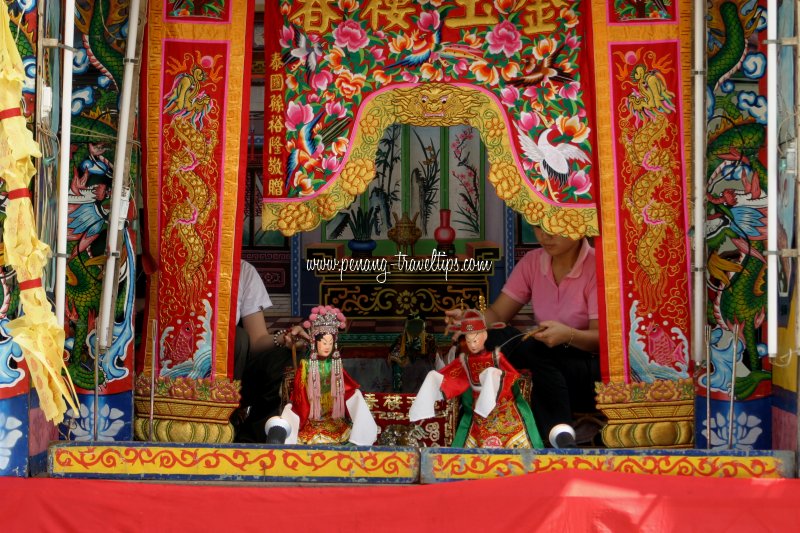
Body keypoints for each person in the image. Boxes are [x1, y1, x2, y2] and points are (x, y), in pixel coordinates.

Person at [445, 226, 600, 446]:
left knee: (532, 350)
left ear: (579, 224)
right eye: (539, 227)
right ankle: (559, 432)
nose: (545, 235)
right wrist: (468, 322)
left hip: (588, 368)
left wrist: (568, 335)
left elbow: (603, 341)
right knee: (499, 336)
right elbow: (498, 314)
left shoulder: (598, 266)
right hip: (545, 363)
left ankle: (555, 429)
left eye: (555, 226)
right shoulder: (533, 262)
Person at [410, 309, 543, 448]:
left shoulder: (496, 358)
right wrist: (435, 379)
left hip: (503, 410)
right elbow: (452, 376)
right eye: (469, 341)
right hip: (478, 415)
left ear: (484, 336)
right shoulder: (465, 361)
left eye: (475, 340)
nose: (472, 345)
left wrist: (494, 376)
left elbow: (512, 376)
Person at [280, 305, 377, 445]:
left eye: (330, 343)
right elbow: (299, 394)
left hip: (333, 418)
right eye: (324, 342)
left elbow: (348, 389)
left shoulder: (335, 364)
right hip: (310, 416)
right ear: (314, 342)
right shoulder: (306, 365)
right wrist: (300, 417)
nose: (327, 346)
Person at [232, 260, 307, 442]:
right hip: (174, 371)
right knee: (239, 337)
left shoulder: (242, 270)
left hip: (231, 373)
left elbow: (256, 340)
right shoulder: (165, 264)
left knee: (283, 356)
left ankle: (253, 437)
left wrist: (286, 338)